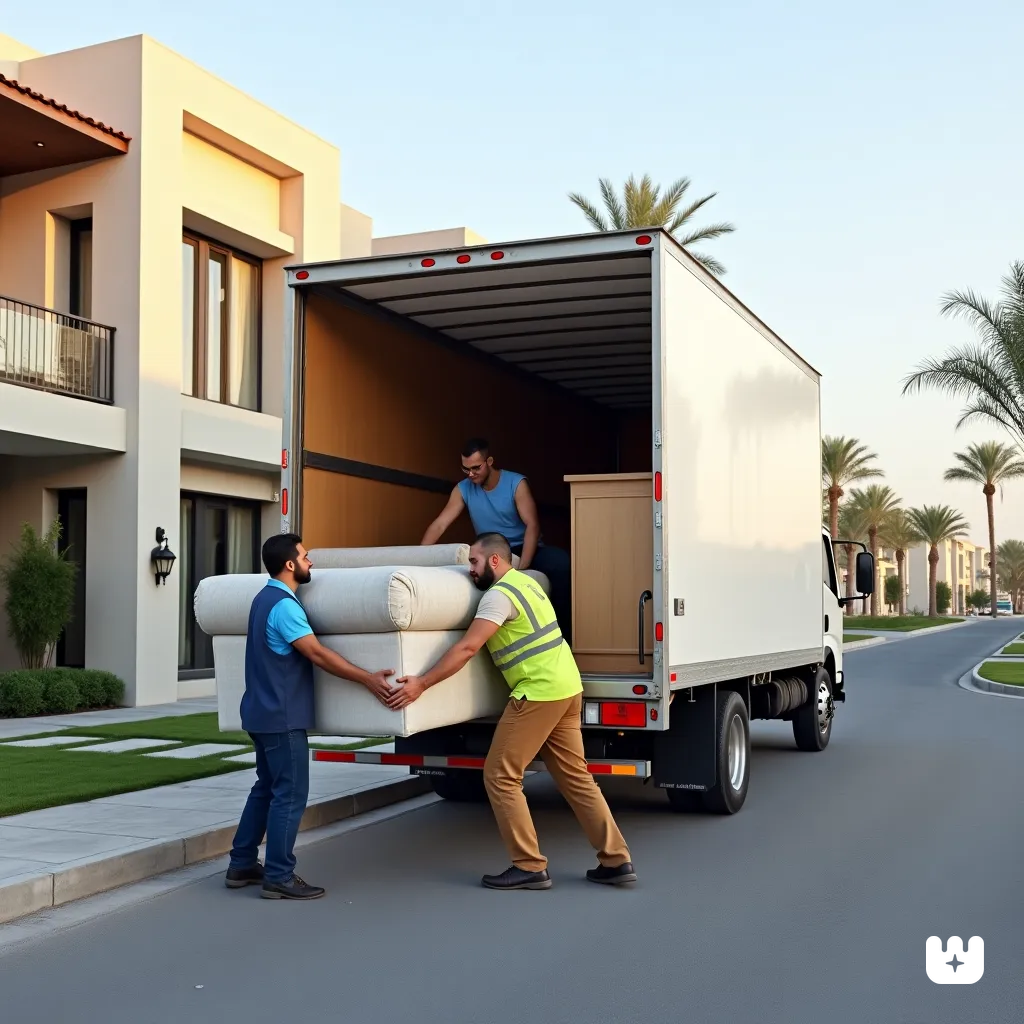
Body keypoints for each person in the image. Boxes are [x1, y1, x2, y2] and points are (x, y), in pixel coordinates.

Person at [387, 532, 635, 891]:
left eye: (473, 561)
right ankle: (616, 859)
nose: (469, 569)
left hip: (538, 693)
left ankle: (529, 865)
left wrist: (422, 683)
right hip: (567, 688)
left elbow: (468, 648)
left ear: (494, 560)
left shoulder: (497, 597)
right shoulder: (528, 584)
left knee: (500, 775)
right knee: (577, 779)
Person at [225, 533, 397, 901]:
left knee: (266, 788)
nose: (310, 562)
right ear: (290, 565)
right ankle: (279, 876)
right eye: (305, 557)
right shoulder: (285, 607)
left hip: (259, 712)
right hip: (282, 717)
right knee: (289, 794)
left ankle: (241, 864)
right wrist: (367, 678)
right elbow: (317, 653)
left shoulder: (262, 599)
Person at [421, 437, 573, 645]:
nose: (471, 474)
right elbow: (440, 524)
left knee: (560, 562)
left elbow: (532, 525)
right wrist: (421, 556)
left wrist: (522, 569)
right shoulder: (463, 488)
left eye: (476, 468)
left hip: (523, 548)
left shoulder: (516, 483)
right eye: (466, 469)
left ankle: (564, 639)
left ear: (489, 461)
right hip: (492, 550)